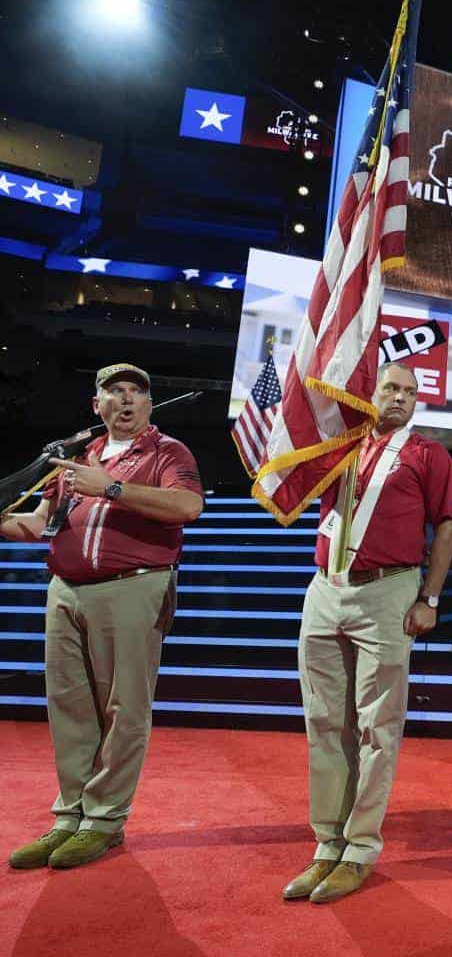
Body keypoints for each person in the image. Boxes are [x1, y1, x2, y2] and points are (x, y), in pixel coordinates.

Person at [4, 364, 203, 870]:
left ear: (149, 404)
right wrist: (6, 521)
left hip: (133, 588)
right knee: (69, 708)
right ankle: (70, 815)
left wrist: (110, 487)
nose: (128, 399)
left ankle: (105, 821)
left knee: (123, 709)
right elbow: (39, 524)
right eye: (115, 392)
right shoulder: (77, 457)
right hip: (66, 590)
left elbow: (187, 506)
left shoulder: (167, 451)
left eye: (138, 391)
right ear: (98, 406)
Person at [283, 362, 452, 904]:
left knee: (377, 728)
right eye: (391, 387)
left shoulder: (427, 453)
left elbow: (448, 525)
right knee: (323, 722)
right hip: (326, 587)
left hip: (389, 590)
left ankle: (359, 848)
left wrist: (429, 598)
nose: (401, 398)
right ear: (371, 392)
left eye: (410, 392)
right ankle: (326, 843)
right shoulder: (337, 446)